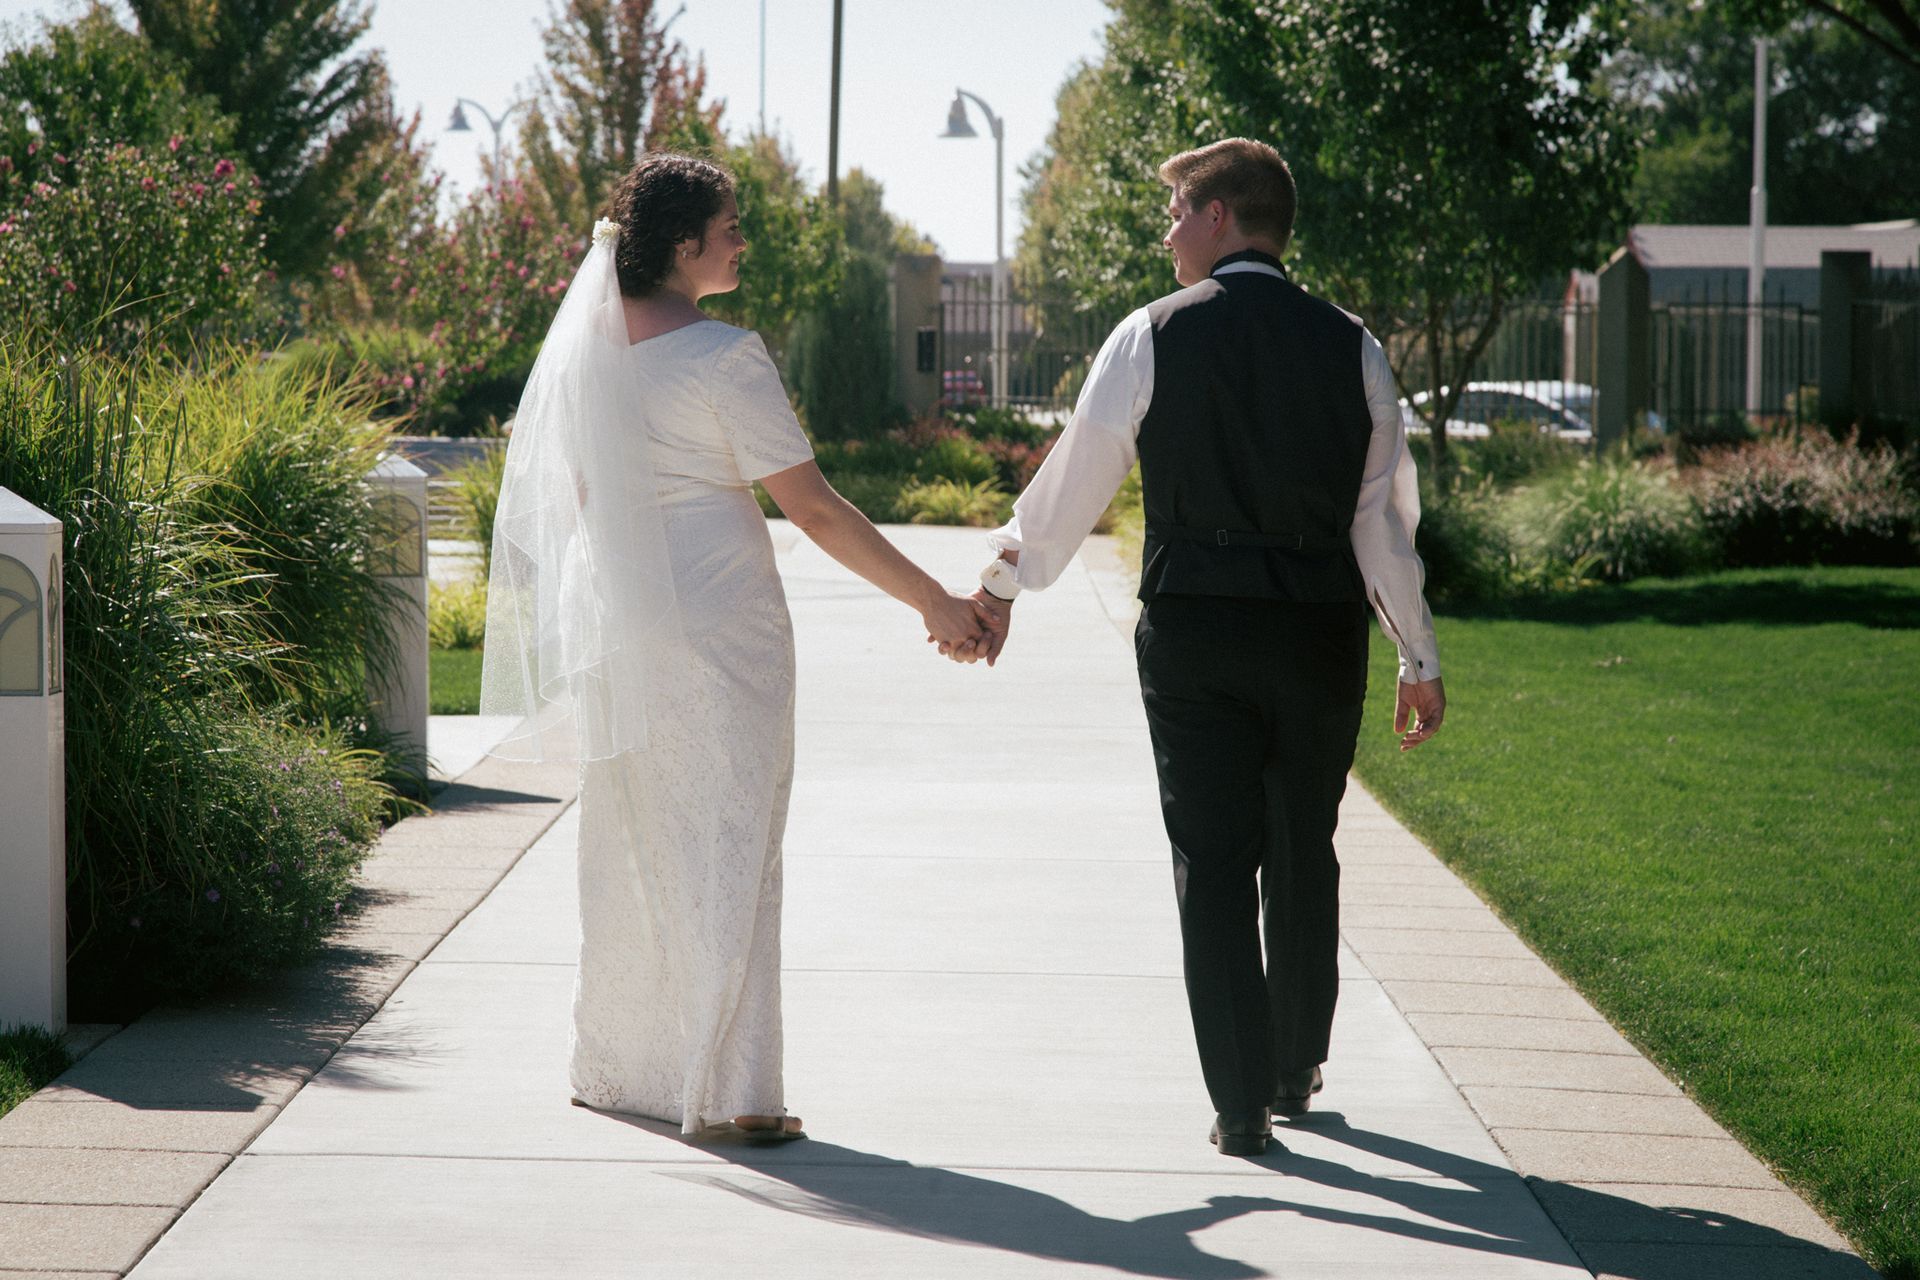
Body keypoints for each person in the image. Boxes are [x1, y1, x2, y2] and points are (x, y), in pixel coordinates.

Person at [480, 152, 987, 1144]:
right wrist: (934, 599)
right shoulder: (722, 355)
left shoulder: (586, 350)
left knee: (636, 841)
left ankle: (629, 1068)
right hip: (720, 628)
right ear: (683, 245)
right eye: (730, 226)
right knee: (733, 843)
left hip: (622, 624)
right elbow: (817, 511)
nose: (742, 240)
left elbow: (580, 502)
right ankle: (737, 1091)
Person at [954, 139, 1446, 1157]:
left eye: (1179, 209)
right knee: (1303, 842)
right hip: (1315, 633)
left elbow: (1074, 481)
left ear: (1223, 215)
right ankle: (1294, 1060)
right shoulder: (1353, 344)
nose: (1168, 229)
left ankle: (1238, 1101)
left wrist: (1004, 582)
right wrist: (1417, 655)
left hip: (1195, 630)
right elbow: (1380, 526)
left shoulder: (1150, 335)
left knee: (1211, 859)